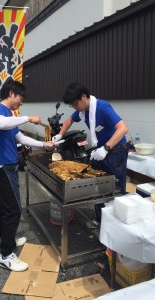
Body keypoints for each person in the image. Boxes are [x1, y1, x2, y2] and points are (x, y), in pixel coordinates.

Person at [0, 79, 54, 272]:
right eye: (20, 98)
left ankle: (6, 238)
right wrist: (27, 118)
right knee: (14, 209)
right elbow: (0, 124)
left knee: (7, 207)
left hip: (5, 167)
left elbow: (20, 137)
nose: (21, 102)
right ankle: (6, 255)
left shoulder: (9, 114)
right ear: (11, 94)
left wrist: (44, 144)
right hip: (1, 167)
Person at [53, 82, 129, 224]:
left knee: (115, 188)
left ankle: (117, 227)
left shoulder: (102, 107)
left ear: (83, 97)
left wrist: (106, 148)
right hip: (101, 150)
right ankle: (100, 220)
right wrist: (60, 135)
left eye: (75, 104)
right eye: (72, 106)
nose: (74, 108)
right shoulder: (82, 110)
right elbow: (69, 120)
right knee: (98, 186)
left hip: (116, 152)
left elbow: (123, 128)